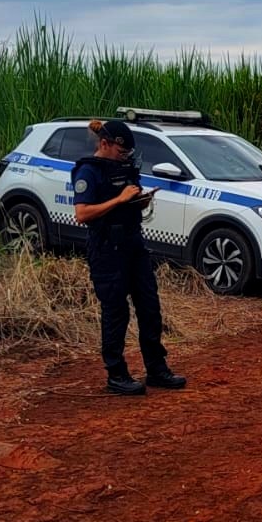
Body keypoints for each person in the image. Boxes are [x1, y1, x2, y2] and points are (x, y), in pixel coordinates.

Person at [72, 119, 186, 395]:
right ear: (104, 144)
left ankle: (157, 369)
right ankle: (117, 374)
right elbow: (82, 214)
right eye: (121, 152)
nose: (125, 157)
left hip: (134, 243)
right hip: (107, 248)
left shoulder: (126, 168)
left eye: (128, 154)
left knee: (149, 307)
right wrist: (119, 200)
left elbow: (128, 197)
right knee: (116, 312)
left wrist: (139, 200)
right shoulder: (88, 170)